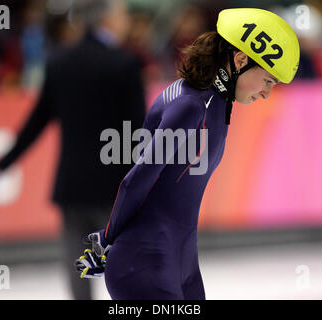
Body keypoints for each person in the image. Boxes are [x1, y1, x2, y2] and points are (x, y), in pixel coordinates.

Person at [75, 8, 300, 299]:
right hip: (143, 262)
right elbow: (138, 178)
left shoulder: (216, 101)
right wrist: (106, 240)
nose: (267, 93)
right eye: (268, 80)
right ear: (241, 60)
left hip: (181, 263)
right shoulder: (191, 105)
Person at [0, 0, 146, 300]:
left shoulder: (60, 62)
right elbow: (138, 133)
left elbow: (37, 120)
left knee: (79, 268)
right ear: (108, 20)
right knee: (125, 266)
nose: (126, 19)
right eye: (122, 14)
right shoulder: (125, 63)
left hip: (72, 185)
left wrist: (4, 161)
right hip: (114, 187)